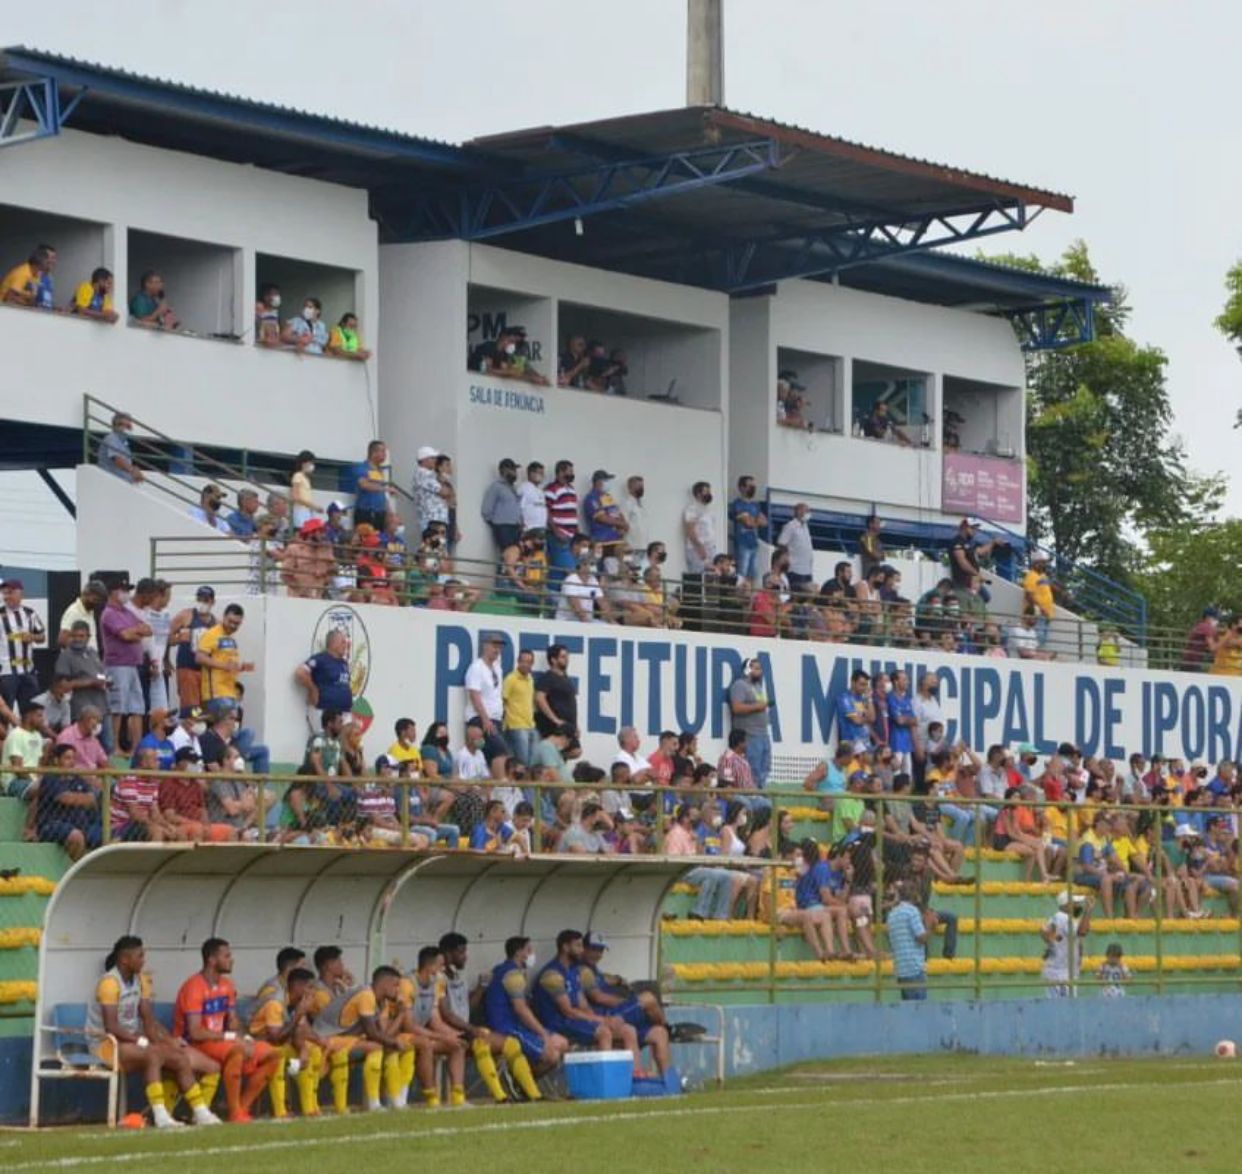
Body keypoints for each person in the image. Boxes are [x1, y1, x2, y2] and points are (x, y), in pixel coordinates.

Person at [89, 935, 222, 1129]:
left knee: (178, 1057)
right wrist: (142, 1041)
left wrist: (167, 1043)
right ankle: (160, 1115)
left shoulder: (141, 980)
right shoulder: (109, 983)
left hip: (131, 1042)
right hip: (105, 1044)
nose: (143, 960)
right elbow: (111, 1027)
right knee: (153, 1054)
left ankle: (201, 1112)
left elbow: (148, 1020)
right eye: (139, 956)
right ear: (125, 959)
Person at [174, 937, 280, 1122]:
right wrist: (231, 1037)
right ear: (211, 959)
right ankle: (234, 1111)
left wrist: (241, 1036)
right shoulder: (194, 986)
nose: (231, 959)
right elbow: (195, 1032)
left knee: (272, 1054)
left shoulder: (227, 985)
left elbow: (232, 1021)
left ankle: (242, 1108)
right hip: (194, 1044)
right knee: (236, 1050)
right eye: (227, 956)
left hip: (220, 1041)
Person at [437, 932, 538, 1103]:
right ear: (448, 954)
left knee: (511, 1043)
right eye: (461, 952)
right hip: (449, 1031)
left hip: (466, 1029)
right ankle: (499, 1096)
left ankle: (534, 1094)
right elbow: (446, 1013)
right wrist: (471, 1029)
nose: (465, 956)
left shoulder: (459, 975)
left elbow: (467, 1006)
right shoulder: (440, 978)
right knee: (481, 1042)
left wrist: (480, 989)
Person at [532, 930, 638, 1065]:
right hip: (558, 1023)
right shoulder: (552, 974)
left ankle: (635, 1076)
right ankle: (604, 1080)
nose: (582, 950)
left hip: (575, 1020)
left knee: (628, 1030)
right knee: (604, 1032)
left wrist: (599, 1019)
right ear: (565, 947)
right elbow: (568, 1012)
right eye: (578, 946)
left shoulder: (573, 971)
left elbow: (583, 1005)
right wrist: (602, 1020)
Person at [483, 936, 564, 1084]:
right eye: (529, 950)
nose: (532, 954)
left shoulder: (510, 971)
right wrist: (543, 1033)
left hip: (517, 1025)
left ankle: (525, 1078)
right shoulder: (512, 974)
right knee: (552, 1055)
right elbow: (521, 1009)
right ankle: (523, 1084)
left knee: (562, 1043)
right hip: (505, 1027)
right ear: (519, 952)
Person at [100, 579, 151, 753]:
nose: (127, 594)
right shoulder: (109, 613)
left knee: (137, 707)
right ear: (113, 592)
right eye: (123, 590)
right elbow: (126, 635)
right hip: (117, 665)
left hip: (133, 665)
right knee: (117, 707)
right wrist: (136, 632)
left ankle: (136, 747)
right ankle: (115, 746)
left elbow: (147, 629)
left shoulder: (127, 612)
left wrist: (135, 632)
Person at [37, 742, 102, 861]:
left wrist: (78, 798)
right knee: (76, 836)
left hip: (80, 825)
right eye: (67, 758)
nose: (72, 762)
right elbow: (65, 798)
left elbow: (93, 800)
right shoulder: (50, 777)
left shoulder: (78, 779)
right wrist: (83, 798)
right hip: (52, 825)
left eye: (74, 758)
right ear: (56, 760)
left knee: (110, 836)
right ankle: (73, 872)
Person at [158, 747, 237, 842]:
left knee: (231, 831)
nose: (195, 765)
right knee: (197, 829)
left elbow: (203, 809)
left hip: (200, 825)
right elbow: (169, 816)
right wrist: (194, 823)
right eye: (192, 762)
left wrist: (206, 824)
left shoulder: (195, 784)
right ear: (181, 763)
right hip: (182, 826)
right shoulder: (168, 783)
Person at [196, 604, 254, 720]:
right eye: (230, 621)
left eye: (237, 623)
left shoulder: (231, 638)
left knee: (235, 731)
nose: (233, 625)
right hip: (216, 693)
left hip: (230, 692)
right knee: (226, 729)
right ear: (223, 617)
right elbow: (199, 658)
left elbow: (228, 664)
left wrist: (242, 667)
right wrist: (224, 666)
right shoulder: (211, 634)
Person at [464, 632, 509, 762]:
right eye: (494, 646)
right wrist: (485, 719)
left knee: (488, 755)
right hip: (481, 719)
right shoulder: (477, 668)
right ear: (485, 646)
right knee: (501, 751)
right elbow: (474, 695)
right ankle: (501, 782)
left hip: (495, 719)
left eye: (499, 647)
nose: (497, 650)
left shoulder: (497, 667)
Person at [169, 587, 216, 709]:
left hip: (207, 671)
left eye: (206, 600)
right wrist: (179, 638)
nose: (202, 603)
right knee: (191, 710)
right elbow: (164, 637)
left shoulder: (215, 623)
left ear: (212, 602)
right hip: (188, 668)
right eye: (199, 599)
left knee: (206, 710)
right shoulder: (186, 615)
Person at [729, 658, 772, 791]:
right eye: (756, 668)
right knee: (753, 768)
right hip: (750, 735)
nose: (759, 671)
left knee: (764, 768)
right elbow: (736, 708)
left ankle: (760, 795)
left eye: (760, 668)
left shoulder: (758, 687)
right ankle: (752, 795)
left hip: (763, 734)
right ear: (747, 670)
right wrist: (759, 706)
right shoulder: (740, 685)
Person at [1041, 892, 1092, 998]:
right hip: (1061, 973)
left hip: (1057, 970)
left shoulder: (1056, 917)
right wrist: (1088, 911)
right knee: (1064, 1007)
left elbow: (1045, 933)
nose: (1077, 906)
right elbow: (1082, 931)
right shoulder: (1065, 918)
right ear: (1066, 905)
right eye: (1075, 903)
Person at [296, 628, 354, 720]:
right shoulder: (320, 659)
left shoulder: (343, 663)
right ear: (333, 643)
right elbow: (300, 673)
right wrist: (313, 689)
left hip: (344, 714)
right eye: (342, 642)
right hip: (327, 715)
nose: (345, 645)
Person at [886, 881, 930, 1000]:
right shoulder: (912, 911)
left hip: (901, 968)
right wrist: (930, 925)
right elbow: (921, 937)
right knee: (919, 1011)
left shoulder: (892, 914)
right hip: (914, 967)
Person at [682, 481, 717, 629]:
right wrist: (700, 549)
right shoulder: (692, 509)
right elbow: (690, 530)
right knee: (698, 580)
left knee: (710, 581)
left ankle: (710, 613)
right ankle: (696, 616)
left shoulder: (707, 509)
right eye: (705, 491)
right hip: (697, 550)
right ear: (698, 493)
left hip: (710, 549)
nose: (708, 494)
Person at [502, 648, 538, 767]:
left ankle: (529, 786)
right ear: (518, 661)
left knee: (532, 762)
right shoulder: (511, 679)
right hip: (516, 725)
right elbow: (503, 700)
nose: (526, 665)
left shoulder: (530, 679)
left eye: (529, 662)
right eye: (523, 661)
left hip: (530, 725)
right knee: (522, 762)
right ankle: (526, 786)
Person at [480, 458, 523, 554]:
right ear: (504, 470)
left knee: (515, 556)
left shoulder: (513, 488)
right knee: (507, 555)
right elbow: (486, 510)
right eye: (513, 470)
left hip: (515, 527)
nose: (515, 473)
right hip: (503, 527)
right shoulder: (496, 487)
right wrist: (496, 524)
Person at [582, 470, 628, 559]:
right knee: (606, 568)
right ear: (599, 481)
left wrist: (623, 526)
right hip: (602, 540)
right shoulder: (592, 497)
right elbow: (601, 518)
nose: (609, 483)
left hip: (616, 539)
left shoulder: (607, 497)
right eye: (607, 481)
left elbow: (617, 512)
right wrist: (621, 524)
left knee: (626, 557)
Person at [353, 440, 394, 532]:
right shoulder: (362, 468)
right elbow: (363, 484)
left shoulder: (380, 471)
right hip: (366, 512)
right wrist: (385, 489)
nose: (385, 454)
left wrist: (389, 511)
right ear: (374, 452)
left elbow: (382, 494)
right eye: (382, 451)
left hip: (380, 513)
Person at [1, 243, 56, 309]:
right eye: (48, 262)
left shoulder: (37, 276)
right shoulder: (23, 273)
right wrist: (28, 304)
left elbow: (32, 298)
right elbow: (9, 298)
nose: (50, 264)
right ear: (40, 263)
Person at [777, 503, 814, 592]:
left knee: (807, 594)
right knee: (796, 594)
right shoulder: (791, 526)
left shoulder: (805, 527)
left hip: (807, 569)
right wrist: (787, 559)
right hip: (795, 568)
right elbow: (781, 543)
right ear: (799, 511)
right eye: (807, 511)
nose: (809, 513)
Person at [1022, 553, 1056, 647]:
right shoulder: (1031, 576)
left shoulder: (1043, 576)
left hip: (1046, 614)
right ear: (1035, 563)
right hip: (1038, 614)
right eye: (1042, 562)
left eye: (1044, 563)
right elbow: (1028, 595)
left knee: (1042, 639)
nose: (1044, 565)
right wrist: (1041, 609)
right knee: (1038, 638)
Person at [1181, 607, 1221, 673]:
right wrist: (1226, 640)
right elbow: (1212, 648)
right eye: (1215, 618)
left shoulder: (1200, 625)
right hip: (1193, 661)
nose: (1217, 621)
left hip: (1189, 659)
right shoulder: (1206, 627)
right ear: (1208, 617)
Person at [518, 462, 547, 534]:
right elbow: (519, 508)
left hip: (541, 528)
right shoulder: (524, 488)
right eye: (540, 473)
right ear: (531, 473)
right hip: (529, 529)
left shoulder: (540, 491)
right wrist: (521, 525)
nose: (542, 476)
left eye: (542, 473)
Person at [254, 282, 282, 346]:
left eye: (277, 294)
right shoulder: (259, 307)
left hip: (271, 345)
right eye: (274, 294)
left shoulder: (275, 312)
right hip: (260, 344)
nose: (276, 297)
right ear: (266, 296)